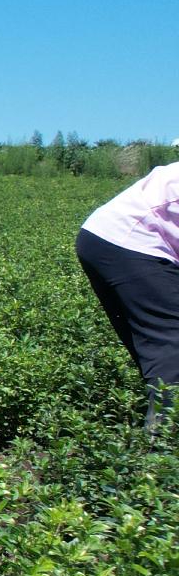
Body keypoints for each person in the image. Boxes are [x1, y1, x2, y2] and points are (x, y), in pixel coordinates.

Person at [76, 163, 179, 432]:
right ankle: (163, 444)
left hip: (109, 237)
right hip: (130, 240)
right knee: (172, 343)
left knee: (159, 350)